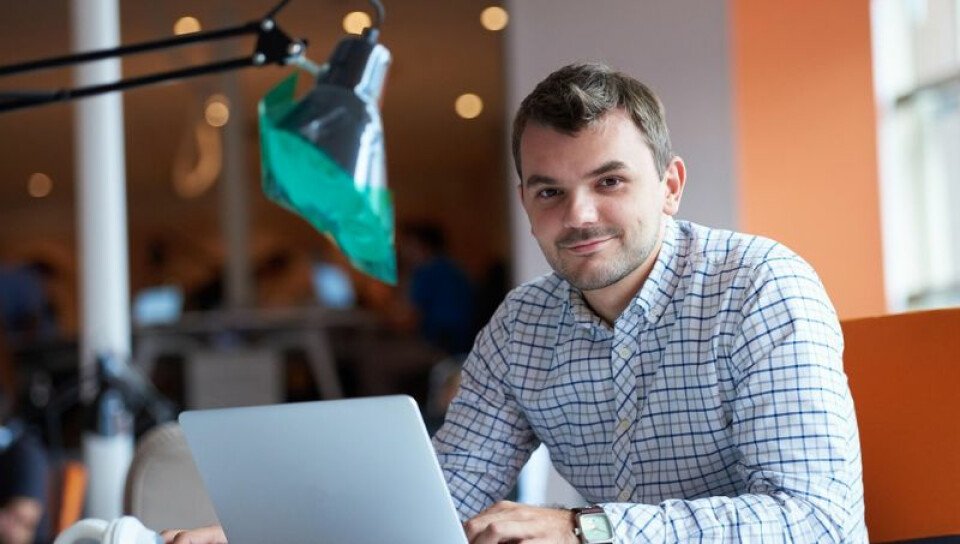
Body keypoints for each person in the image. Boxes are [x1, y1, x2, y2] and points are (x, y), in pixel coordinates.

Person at [162, 63, 867, 543]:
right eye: (549, 191)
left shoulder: (761, 288)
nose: (579, 215)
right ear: (526, 203)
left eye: (610, 181)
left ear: (671, 186)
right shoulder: (522, 326)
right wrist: (261, 535)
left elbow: (817, 522)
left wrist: (586, 529)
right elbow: (444, 500)